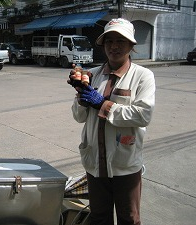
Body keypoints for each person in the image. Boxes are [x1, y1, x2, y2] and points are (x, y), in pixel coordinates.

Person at [67, 18, 156, 225]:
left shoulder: (143, 76)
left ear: (131, 46)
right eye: (109, 41)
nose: (114, 46)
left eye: (120, 41)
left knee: (129, 219)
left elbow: (143, 115)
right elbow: (79, 116)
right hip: (95, 163)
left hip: (125, 165)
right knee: (98, 217)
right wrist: (81, 95)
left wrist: (103, 104)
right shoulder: (93, 75)